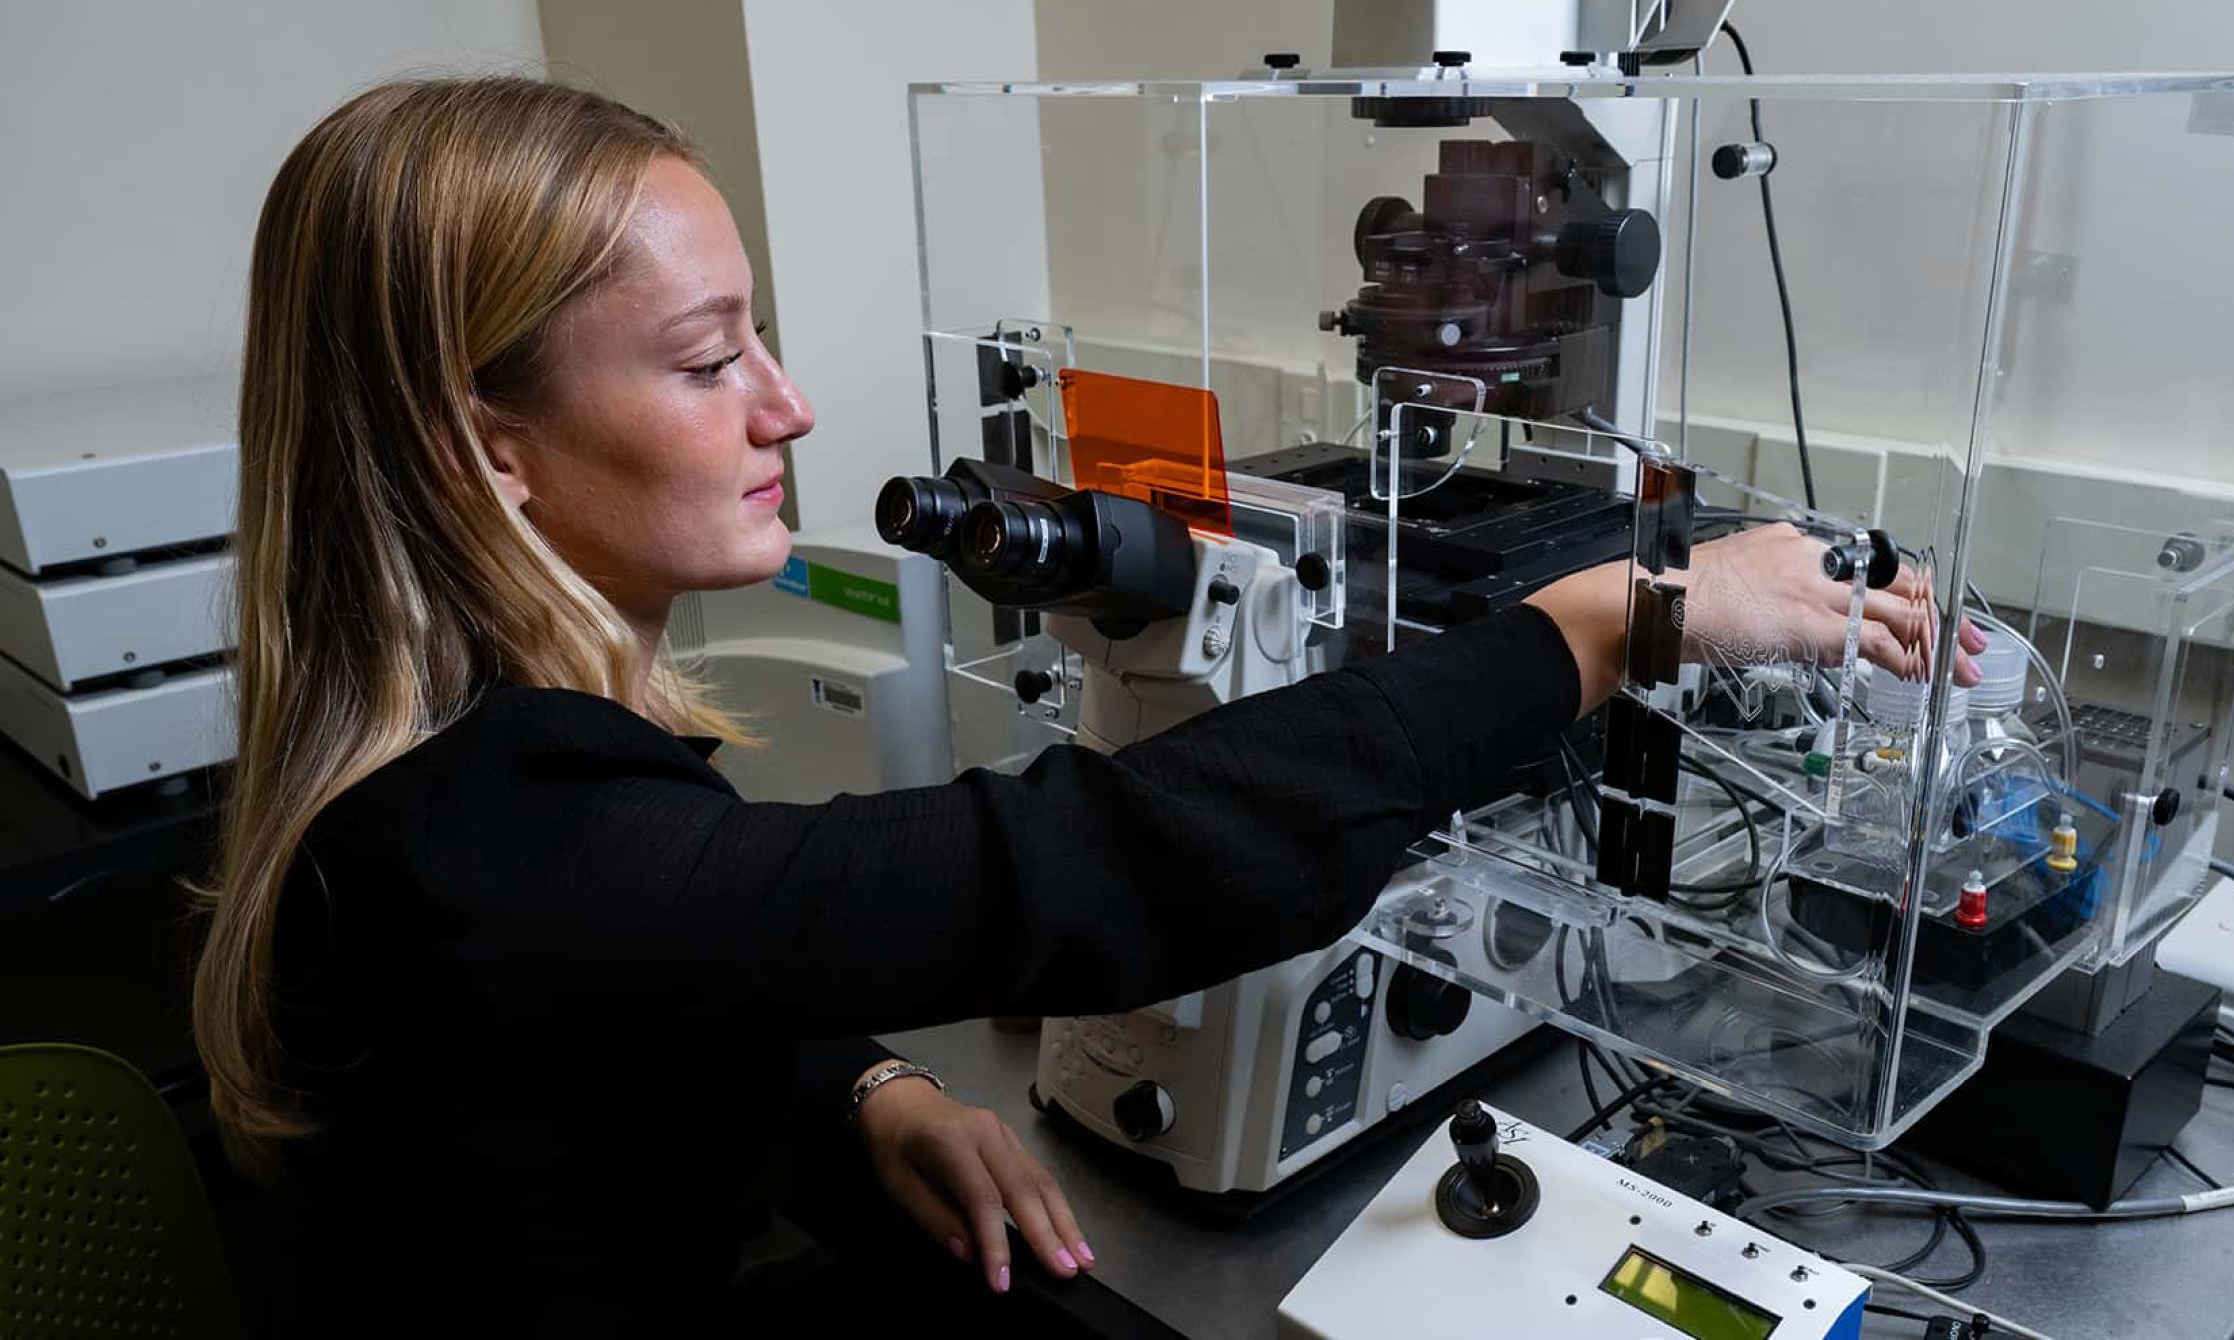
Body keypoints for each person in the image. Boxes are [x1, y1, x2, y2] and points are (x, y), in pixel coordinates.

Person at [189, 76, 1977, 1334]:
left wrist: (871, 1080)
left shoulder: (452, 766)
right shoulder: (508, 849)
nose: (791, 408)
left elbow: (706, 963)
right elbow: (1100, 861)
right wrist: (1601, 620)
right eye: (709, 354)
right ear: (483, 452)